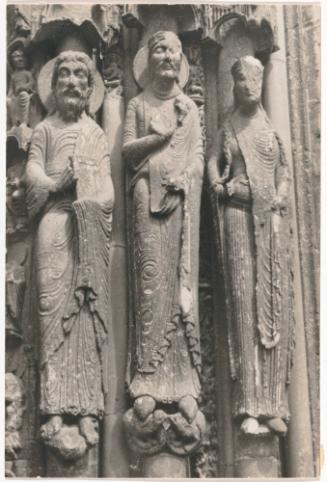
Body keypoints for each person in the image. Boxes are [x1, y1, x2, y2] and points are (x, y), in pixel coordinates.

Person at [24, 51, 114, 447]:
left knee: (86, 313)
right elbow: (33, 173)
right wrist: (59, 182)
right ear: (54, 85)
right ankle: (55, 406)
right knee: (51, 311)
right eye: (65, 75)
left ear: (89, 87)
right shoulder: (44, 129)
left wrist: (97, 202)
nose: (73, 82)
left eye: (81, 75)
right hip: (55, 222)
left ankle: (89, 409)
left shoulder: (95, 133)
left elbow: (108, 183)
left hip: (88, 227)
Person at [208, 56, 294, 435]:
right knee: (244, 304)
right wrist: (218, 184)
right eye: (242, 80)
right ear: (234, 85)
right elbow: (212, 162)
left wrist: (280, 194)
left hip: (270, 221)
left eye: (254, 80)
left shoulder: (271, 129)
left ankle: (274, 402)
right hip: (238, 216)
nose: (248, 86)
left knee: (274, 303)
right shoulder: (229, 127)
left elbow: (285, 171)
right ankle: (248, 405)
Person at [123, 31, 204, 419]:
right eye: (159, 49)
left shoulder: (189, 108)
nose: (167, 56)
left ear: (181, 58)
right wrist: (157, 138)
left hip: (180, 201)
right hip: (145, 202)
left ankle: (185, 382)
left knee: (178, 285)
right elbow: (126, 151)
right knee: (149, 287)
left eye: (173, 49)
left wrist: (185, 178)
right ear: (148, 59)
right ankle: (147, 379)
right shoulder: (138, 105)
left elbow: (199, 158)